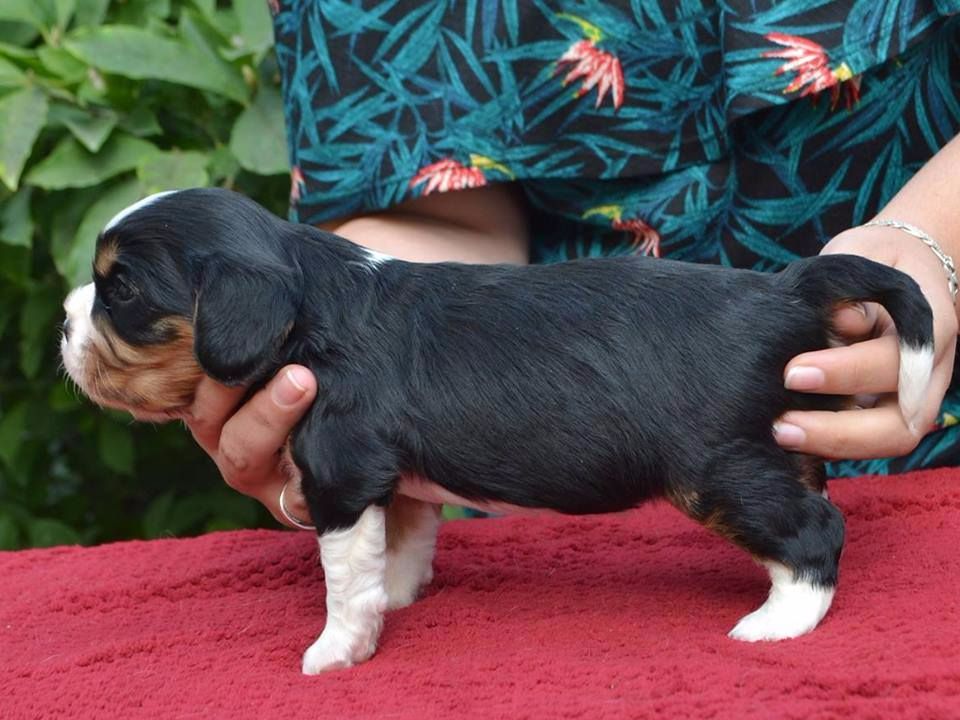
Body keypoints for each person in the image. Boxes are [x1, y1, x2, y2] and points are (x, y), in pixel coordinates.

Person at [188, 2, 960, 528]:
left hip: (927, 447)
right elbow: (436, 208)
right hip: (557, 507)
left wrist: (933, 235)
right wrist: (339, 376)